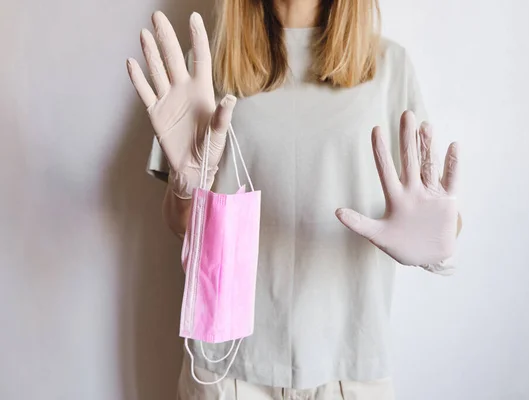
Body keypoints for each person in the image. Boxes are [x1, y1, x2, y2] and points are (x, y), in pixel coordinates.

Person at [126, 0, 461, 398]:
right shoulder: (205, 65)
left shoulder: (390, 65)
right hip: (228, 368)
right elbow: (181, 223)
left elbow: (432, 210)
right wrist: (185, 189)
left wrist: (438, 235)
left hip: (349, 368)